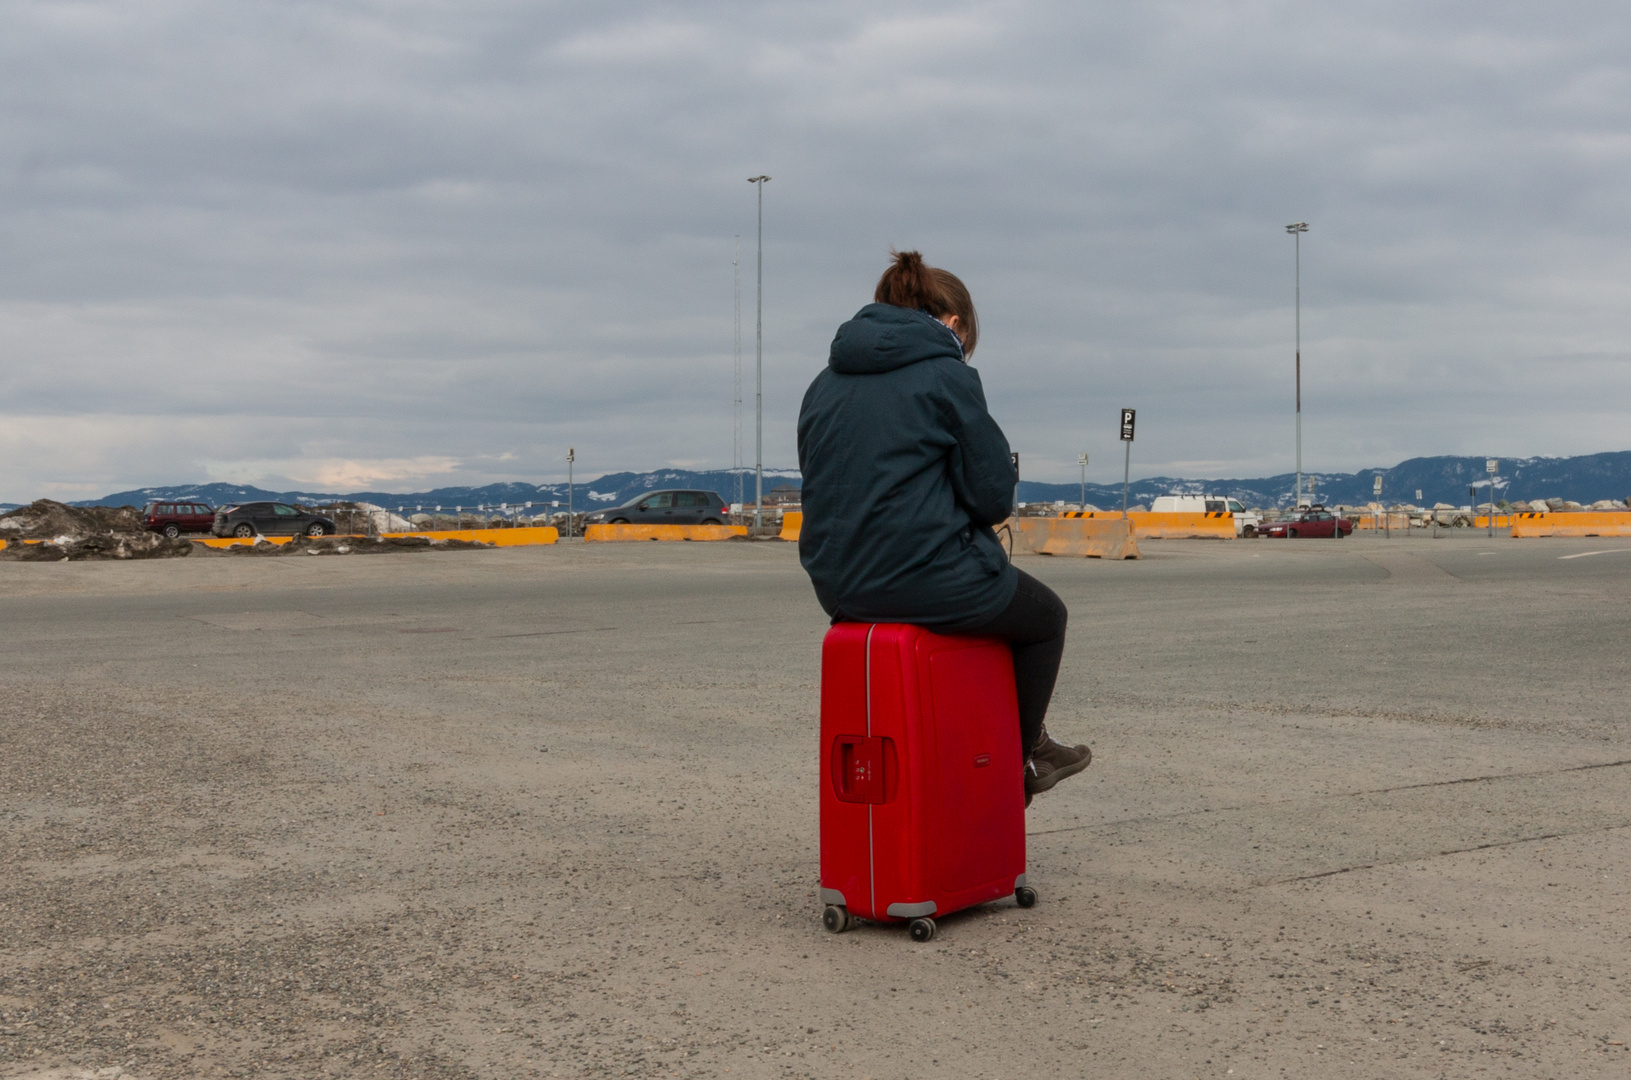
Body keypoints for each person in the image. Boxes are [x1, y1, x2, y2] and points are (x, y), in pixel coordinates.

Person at [797, 250, 1092, 805]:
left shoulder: (823, 383)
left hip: (837, 585)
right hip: (922, 577)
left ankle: (1021, 744)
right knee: (1045, 616)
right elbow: (992, 497)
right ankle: (1023, 754)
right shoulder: (946, 375)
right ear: (952, 323)